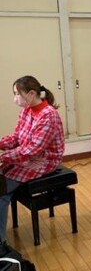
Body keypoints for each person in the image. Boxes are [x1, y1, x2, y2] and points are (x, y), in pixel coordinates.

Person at [0, 76, 65, 245]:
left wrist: (3, 157)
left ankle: (0, 242)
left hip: (44, 161)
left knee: (1, 191)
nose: (15, 98)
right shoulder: (26, 110)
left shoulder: (48, 115)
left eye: (17, 94)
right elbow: (16, 138)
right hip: (27, 157)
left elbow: (33, 149)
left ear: (30, 94)